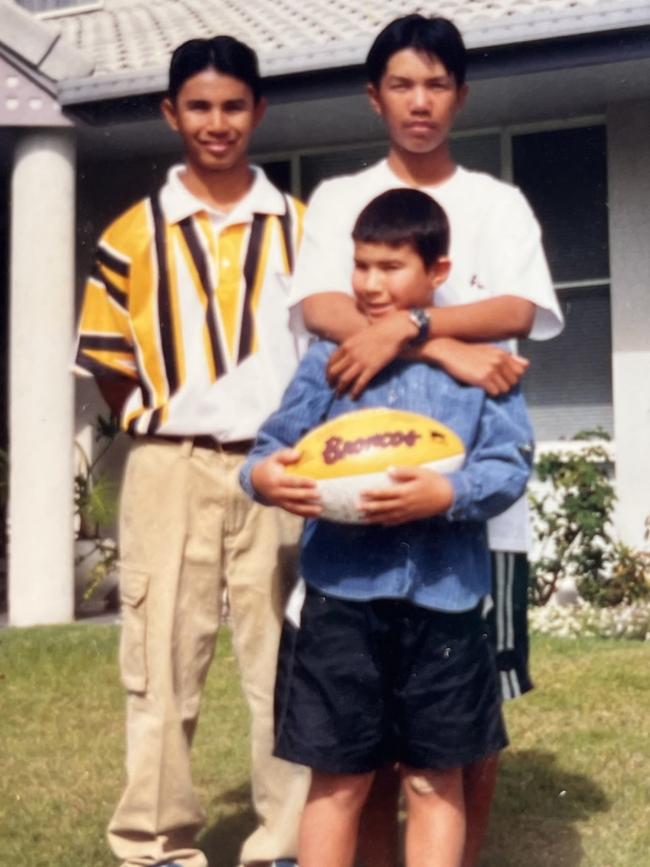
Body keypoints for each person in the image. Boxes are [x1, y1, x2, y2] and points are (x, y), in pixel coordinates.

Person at [288, 13, 564, 865]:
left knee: (465, 727)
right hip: (360, 505)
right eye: (402, 84)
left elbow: (518, 310)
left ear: (461, 94)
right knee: (357, 741)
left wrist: (406, 323)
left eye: (437, 84)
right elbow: (325, 308)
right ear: (375, 96)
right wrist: (439, 339)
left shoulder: (496, 202)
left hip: (473, 504)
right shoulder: (341, 199)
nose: (420, 102)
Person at [240, 187, 535, 867]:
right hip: (342, 600)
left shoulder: (483, 362)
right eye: (361, 265)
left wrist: (448, 491)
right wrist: (263, 477)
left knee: (436, 778)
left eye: (390, 266)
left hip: (444, 600)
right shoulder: (327, 359)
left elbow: (511, 462)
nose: (370, 284)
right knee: (340, 778)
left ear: (437, 272)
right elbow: (270, 446)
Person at [74, 35, 309, 867]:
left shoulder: (301, 228)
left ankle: (285, 839)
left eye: (234, 105)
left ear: (259, 111)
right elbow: (108, 364)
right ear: (172, 112)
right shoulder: (132, 236)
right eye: (200, 106)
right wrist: (170, 417)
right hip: (169, 466)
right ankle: (156, 842)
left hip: (278, 463)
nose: (218, 123)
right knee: (161, 656)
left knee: (283, 655)